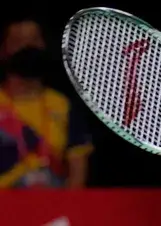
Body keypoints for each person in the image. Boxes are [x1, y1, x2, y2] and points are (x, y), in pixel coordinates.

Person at [0, 17, 93, 188]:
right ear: (3, 50)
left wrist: (67, 212)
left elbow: (77, 173)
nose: (28, 47)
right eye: (18, 41)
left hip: (51, 208)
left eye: (34, 40)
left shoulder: (63, 105)